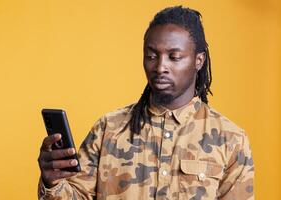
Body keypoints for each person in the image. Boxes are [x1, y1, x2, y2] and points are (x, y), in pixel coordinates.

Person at [37, 6, 254, 200]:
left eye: (174, 57)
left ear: (199, 60)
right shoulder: (108, 128)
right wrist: (52, 183)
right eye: (151, 56)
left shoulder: (231, 140)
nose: (160, 67)